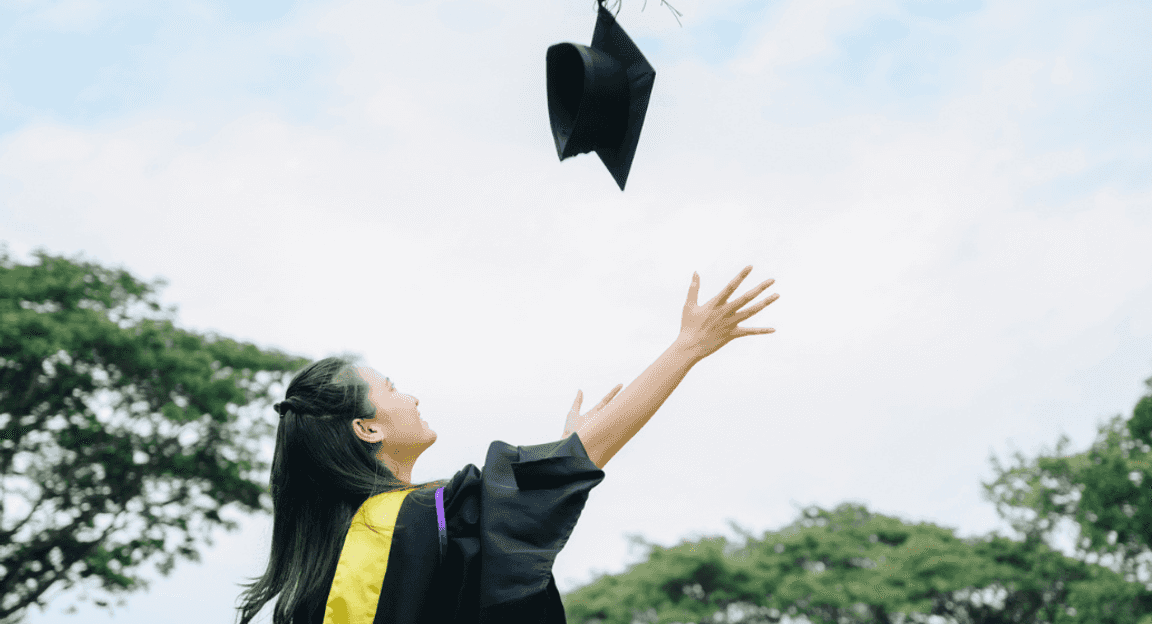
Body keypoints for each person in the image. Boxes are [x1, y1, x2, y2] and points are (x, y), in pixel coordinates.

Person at [235, 265, 779, 624]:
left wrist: (570, 448)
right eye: (393, 389)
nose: (412, 396)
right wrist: (688, 347)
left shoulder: (307, 593)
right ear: (368, 428)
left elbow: (552, 479)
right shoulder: (430, 516)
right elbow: (568, 468)